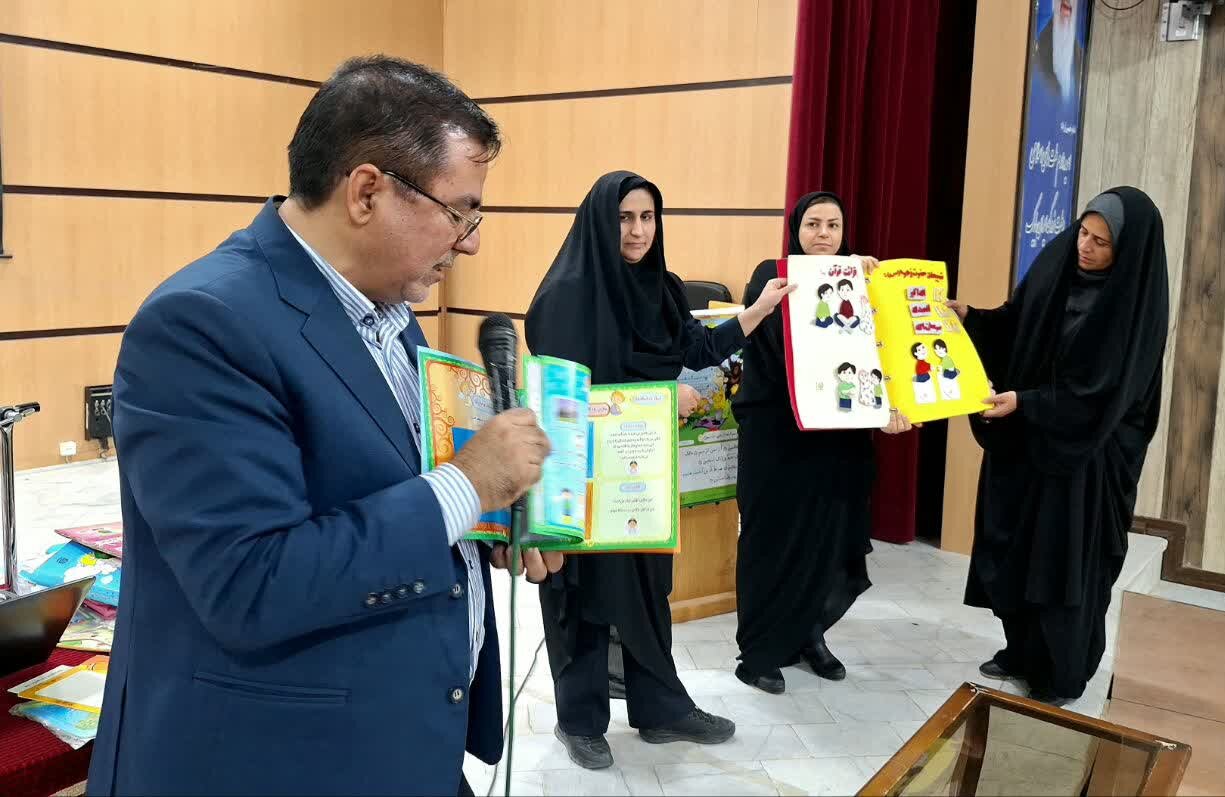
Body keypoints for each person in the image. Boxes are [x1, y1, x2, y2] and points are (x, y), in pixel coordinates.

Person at [87, 56, 561, 797]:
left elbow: (379, 492)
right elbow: (250, 582)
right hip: (278, 761)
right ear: (368, 191)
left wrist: (483, 525)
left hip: (399, 739)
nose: (470, 242)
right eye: (460, 212)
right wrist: (467, 487)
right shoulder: (202, 324)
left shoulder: (391, 311)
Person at [524, 170, 794, 770]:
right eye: (625, 218)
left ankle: (661, 710)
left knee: (648, 591)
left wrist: (758, 310)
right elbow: (563, 398)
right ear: (601, 220)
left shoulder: (661, 287)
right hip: (581, 474)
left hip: (642, 472)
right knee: (583, 597)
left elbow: (696, 350)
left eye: (647, 217)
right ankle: (580, 721)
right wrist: (661, 399)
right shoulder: (566, 295)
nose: (638, 230)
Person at [950, 188, 1169, 706]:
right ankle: (1020, 652)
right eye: (1083, 233)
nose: (1084, 247)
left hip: (1085, 461)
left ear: (1126, 251)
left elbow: (1102, 395)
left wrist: (1026, 402)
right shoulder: (1057, 265)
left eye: (1101, 243)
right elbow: (1015, 321)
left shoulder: (1133, 308)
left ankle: (1060, 674)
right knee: (1016, 550)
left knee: (1061, 565)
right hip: (1028, 443)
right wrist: (971, 317)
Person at [732, 191, 913, 695]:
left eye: (833, 225)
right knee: (773, 543)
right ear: (796, 228)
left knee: (828, 542)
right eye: (813, 224)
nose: (823, 235)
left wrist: (889, 407)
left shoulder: (864, 282)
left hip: (838, 443)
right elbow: (779, 349)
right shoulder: (771, 275)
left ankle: (809, 634)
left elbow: (884, 352)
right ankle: (759, 651)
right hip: (780, 439)